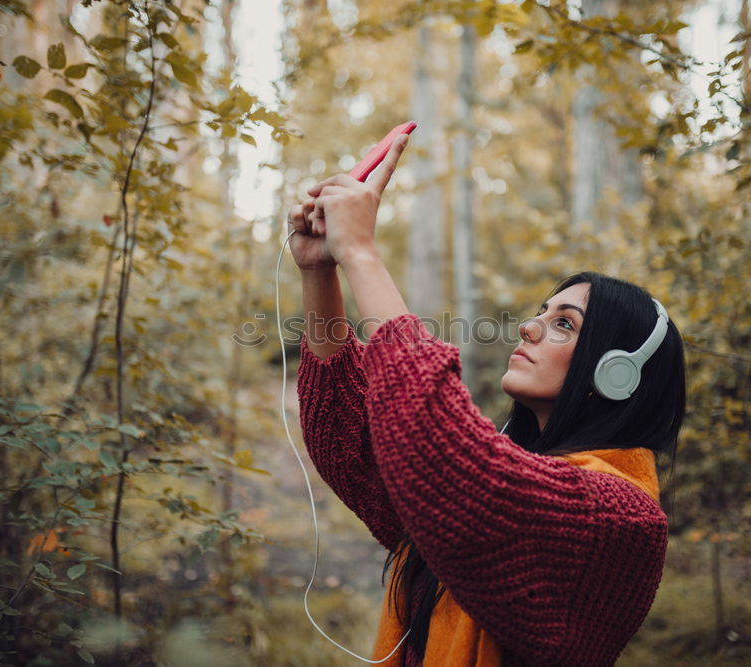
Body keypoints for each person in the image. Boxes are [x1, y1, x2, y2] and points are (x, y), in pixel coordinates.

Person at [287, 134, 685, 666]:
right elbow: (351, 439)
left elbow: (436, 446)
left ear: (616, 375)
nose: (528, 327)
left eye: (564, 324)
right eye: (541, 313)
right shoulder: (507, 473)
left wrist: (361, 252)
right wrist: (321, 271)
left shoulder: (621, 520)